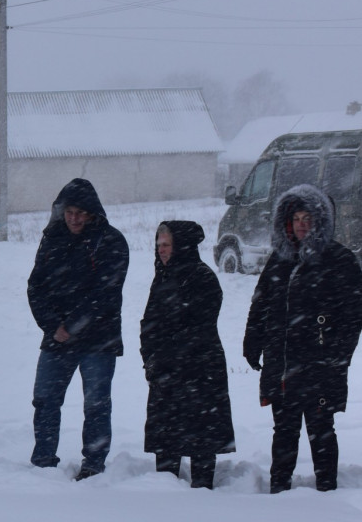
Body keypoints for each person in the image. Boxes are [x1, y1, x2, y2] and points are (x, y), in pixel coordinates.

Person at [244, 184, 362, 493]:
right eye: (295, 218)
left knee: (321, 429)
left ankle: (327, 491)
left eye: (307, 218)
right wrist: (252, 342)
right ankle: (278, 488)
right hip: (282, 364)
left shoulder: (339, 260)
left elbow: (352, 317)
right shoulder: (279, 260)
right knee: (284, 430)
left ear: (320, 221)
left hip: (320, 366)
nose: (301, 224)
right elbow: (261, 304)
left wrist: (337, 357)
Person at [26, 178, 129, 480]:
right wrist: (53, 325)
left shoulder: (110, 241)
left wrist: (72, 326)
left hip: (99, 340)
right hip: (57, 339)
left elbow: (106, 293)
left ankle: (94, 465)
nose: (74, 218)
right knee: (45, 400)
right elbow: (36, 286)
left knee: (96, 405)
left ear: (92, 213)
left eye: (81, 213)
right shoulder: (52, 238)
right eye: (70, 212)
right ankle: (43, 462)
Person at [140, 221, 235, 489]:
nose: (161, 250)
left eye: (167, 244)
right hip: (165, 370)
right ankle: (166, 491)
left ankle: (203, 494)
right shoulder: (162, 277)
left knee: (201, 435)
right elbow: (149, 323)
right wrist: (150, 358)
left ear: (181, 246)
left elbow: (198, 327)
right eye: (159, 245)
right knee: (166, 438)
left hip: (200, 369)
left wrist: (170, 358)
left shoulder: (203, 277)